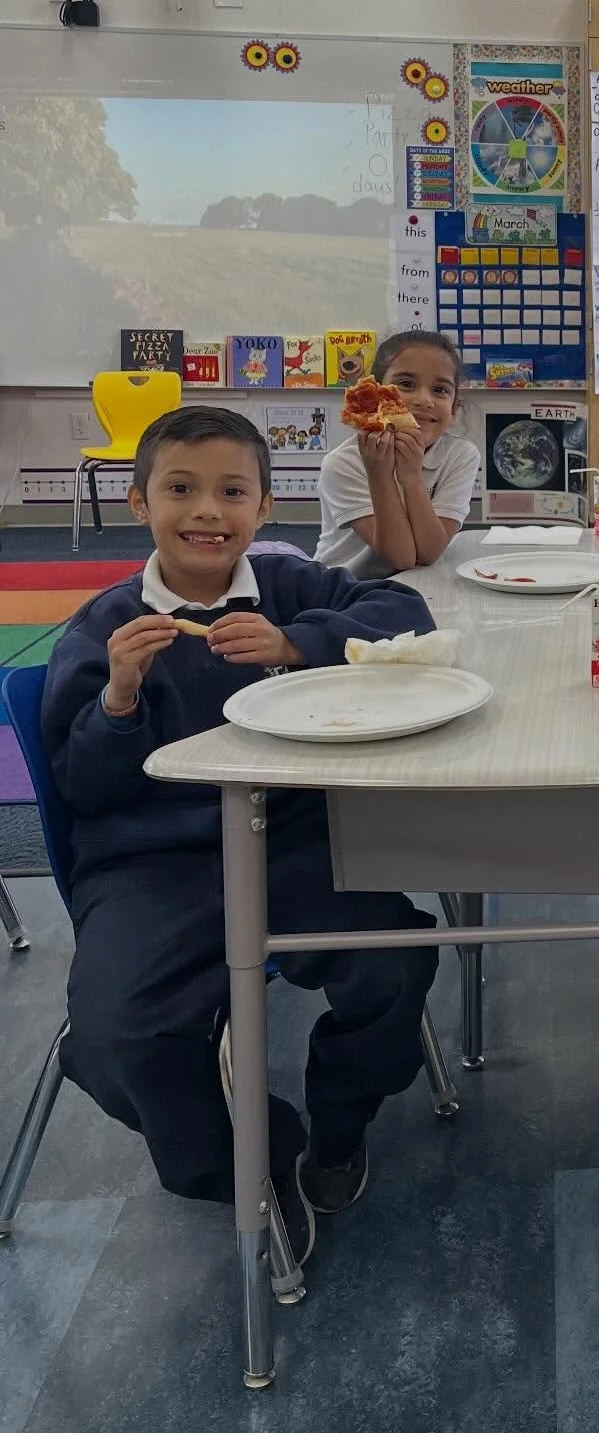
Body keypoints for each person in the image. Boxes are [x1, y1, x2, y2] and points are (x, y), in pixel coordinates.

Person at [42, 406, 441, 1265]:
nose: (206, 512)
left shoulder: (291, 587)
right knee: (116, 1042)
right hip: (151, 867)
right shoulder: (101, 628)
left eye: (232, 492)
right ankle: (244, 1163)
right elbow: (83, 788)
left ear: (264, 510)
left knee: (394, 959)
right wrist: (118, 700)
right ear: (138, 501)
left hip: (291, 841)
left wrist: (299, 644)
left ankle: (339, 1127)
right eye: (180, 489)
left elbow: (407, 614)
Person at [317, 330, 480, 577]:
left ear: (454, 407)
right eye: (406, 385)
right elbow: (401, 557)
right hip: (343, 588)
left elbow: (428, 553)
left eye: (440, 390)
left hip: (414, 585)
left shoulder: (460, 455)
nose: (424, 400)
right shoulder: (343, 463)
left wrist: (411, 478)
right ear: (375, 393)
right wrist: (380, 474)